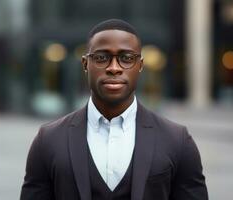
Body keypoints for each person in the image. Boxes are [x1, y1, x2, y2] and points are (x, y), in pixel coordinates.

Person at [20, 19, 208, 200]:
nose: (114, 68)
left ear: (140, 66)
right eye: (102, 58)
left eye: (126, 58)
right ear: (86, 64)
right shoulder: (48, 140)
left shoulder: (177, 141)